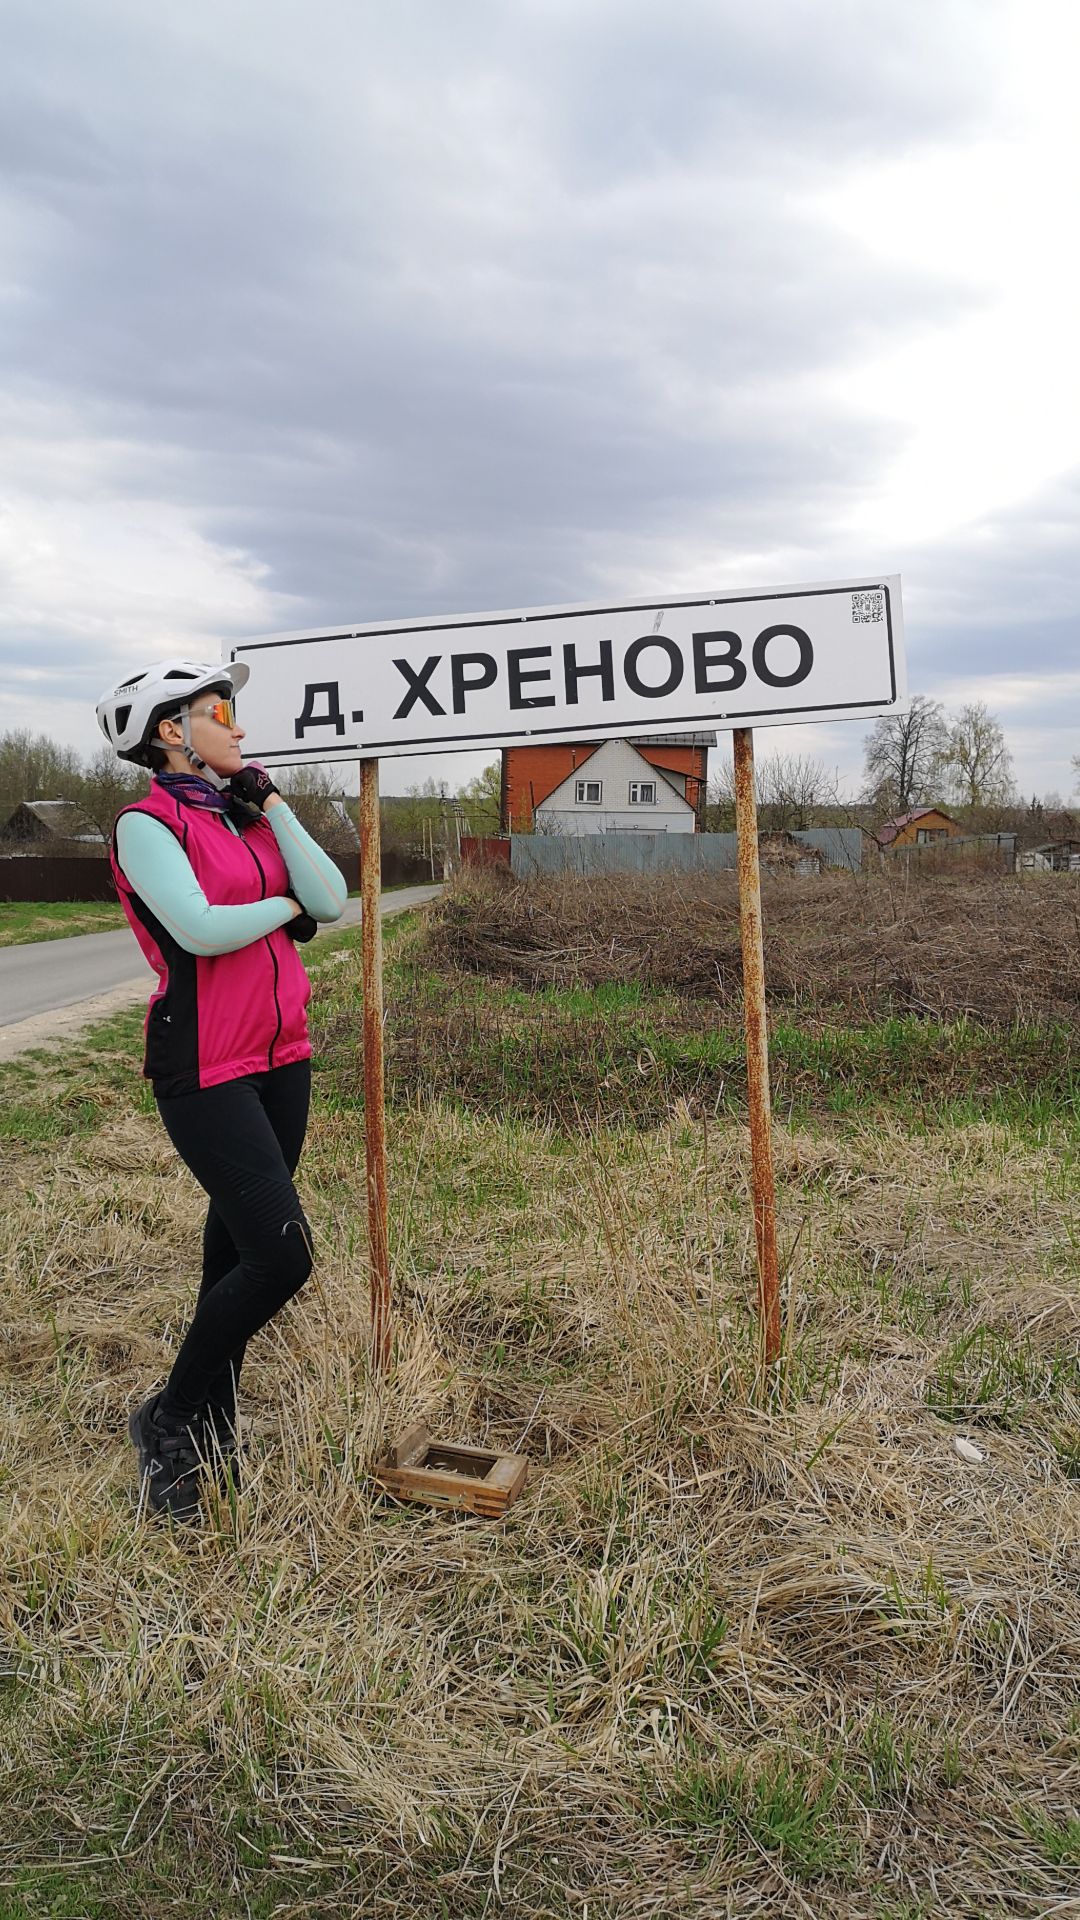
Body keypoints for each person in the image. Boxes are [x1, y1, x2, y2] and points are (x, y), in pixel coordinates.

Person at [96, 658, 348, 1521]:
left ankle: (215, 1426)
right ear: (172, 731)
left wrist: (272, 802)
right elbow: (202, 930)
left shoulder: (243, 814)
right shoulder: (145, 824)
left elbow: (334, 899)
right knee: (282, 1257)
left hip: (283, 1055)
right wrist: (286, 910)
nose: (238, 728)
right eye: (219, 711)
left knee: (234, 1255)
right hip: (203, 1067)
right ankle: (169, 1419)